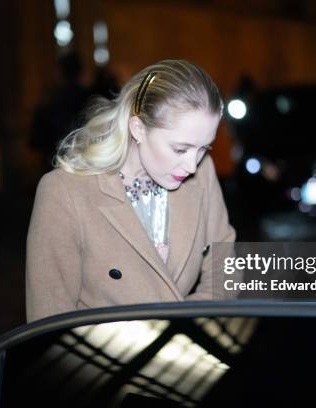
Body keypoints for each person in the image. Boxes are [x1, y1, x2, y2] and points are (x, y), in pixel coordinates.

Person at [26, 60, 236, 322]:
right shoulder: (64, 192)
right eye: (180, 149)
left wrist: (185, 330)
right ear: (137, 128)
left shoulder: (202, 173)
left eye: (204, 148)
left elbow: (224, 266)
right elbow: (49, 324)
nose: (193, 164)